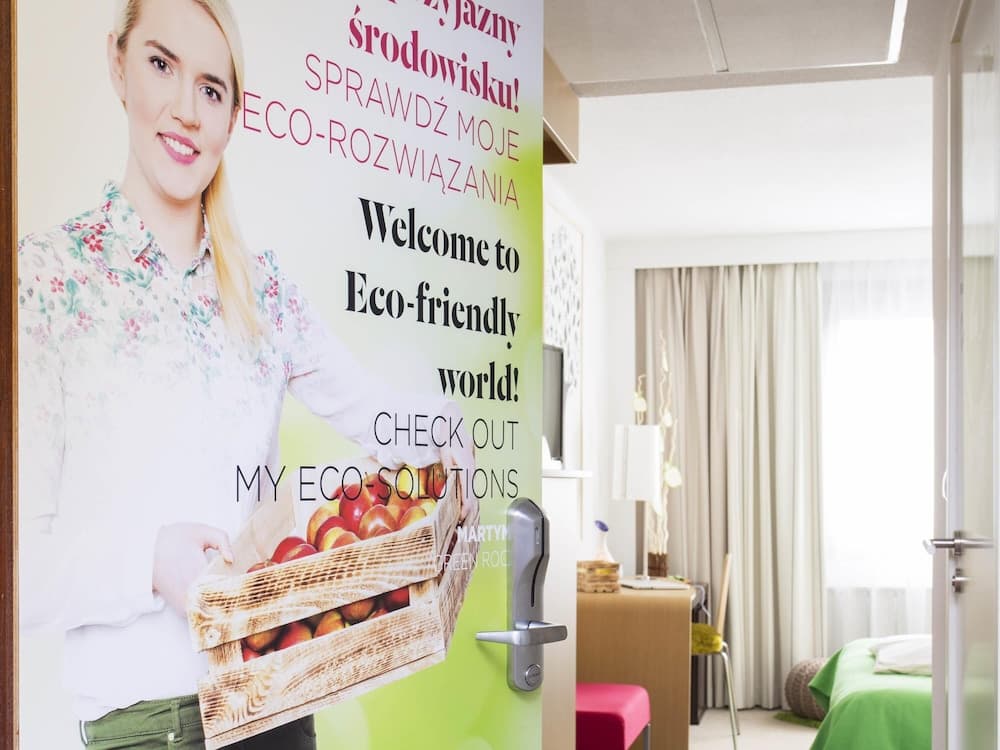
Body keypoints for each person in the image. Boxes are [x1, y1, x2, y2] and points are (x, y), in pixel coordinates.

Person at [16, 0, 474, 747]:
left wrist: (450, 433)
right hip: (148, 729)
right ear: (118, 65)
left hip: (277, 704)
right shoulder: (46, 280)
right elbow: (18, 566)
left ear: (233, 117)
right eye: (161, 64)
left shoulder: (267, 291)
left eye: (211, 88)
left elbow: (375, 412)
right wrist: (147, 562)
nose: (185, 109)